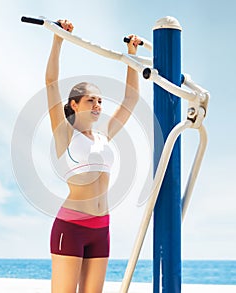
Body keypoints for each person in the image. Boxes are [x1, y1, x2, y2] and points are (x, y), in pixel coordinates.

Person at [45, 19, 141, 293]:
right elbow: (51, 84)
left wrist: (131, 57)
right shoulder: (65, 134)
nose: (98, 105)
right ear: (74, 105)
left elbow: (131, 99)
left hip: (101, 229)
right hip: (71, 227)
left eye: (100, 101)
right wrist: (58, 38)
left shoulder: (105, 135)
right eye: (91, 100)